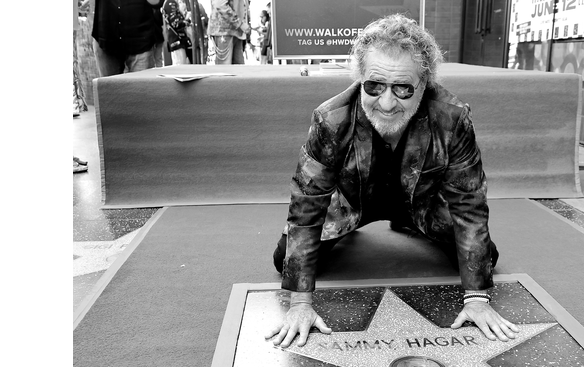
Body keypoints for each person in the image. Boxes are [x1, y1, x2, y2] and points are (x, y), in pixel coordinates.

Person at [266, 14, 521, 349]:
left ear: (424, 84)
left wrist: (476, 299)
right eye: (374, 86)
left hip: (423, 206)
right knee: (284, 256)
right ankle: (357, 228)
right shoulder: (331, 120)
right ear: (359, 79)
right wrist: (300, 303)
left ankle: (410, 225)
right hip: (352, 204)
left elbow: (469, 207)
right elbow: (306, 208)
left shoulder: (452, 119)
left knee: (486, 257)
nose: (387, 103)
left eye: (403, 89)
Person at [91, 0, 163, 76]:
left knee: (142, 87)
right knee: (109, 87)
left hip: (141, 41)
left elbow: (157, 2)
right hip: (106, 38)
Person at [207, 0, 250, 64]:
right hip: (224, 31)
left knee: (237, 68)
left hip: (235, 31)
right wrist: (239, 23)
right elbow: (219, 4)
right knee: (225, 69)